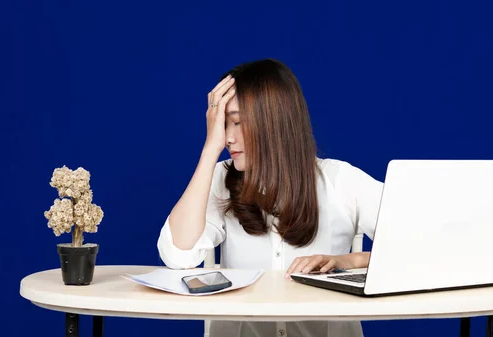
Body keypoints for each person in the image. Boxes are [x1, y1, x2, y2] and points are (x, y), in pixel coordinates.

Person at [157, 58, 384, 337]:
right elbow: (177, 255)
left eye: (237, 122)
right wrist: (209, 149)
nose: (227, 138)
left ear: (273, 123)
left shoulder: (339, 181)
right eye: (222, 125)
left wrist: (348, 262)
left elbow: (421, 250)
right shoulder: (219, 179)